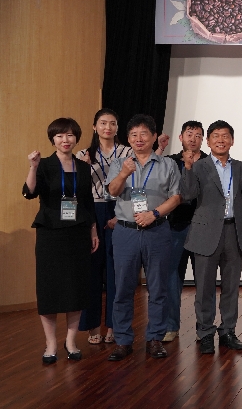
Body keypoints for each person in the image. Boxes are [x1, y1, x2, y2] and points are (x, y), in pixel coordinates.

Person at [105, 114, 181, 361]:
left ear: (154, 136)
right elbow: (112, 191)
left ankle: (155, 338)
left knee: (158, 287)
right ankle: (123, 340)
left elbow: (176, 197)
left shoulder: (167, 164)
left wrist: (154, 214)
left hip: (157, 231)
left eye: (144, 134)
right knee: (123, 288)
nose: (139, 139)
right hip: (125, 232)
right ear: (128, 139)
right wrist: (123, 174)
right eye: (134, 135)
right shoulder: (120, 163)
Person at [24, 118, 99, 364]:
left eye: (69, 135)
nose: (65, 140)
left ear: (76, 138)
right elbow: (29, 192)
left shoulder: (84, 167)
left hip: (78, 233)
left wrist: (93, 231)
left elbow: (88, 203)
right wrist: (33, 167)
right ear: (52, 139)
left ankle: (71, 341)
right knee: (49, 289)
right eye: (59, 136)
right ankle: (51, 344)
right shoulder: (44, 165)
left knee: (76, 287)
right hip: (50, 233)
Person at [180, 120, 242, 354]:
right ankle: (205, 332)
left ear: (232, 141)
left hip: (234, 232)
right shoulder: (199, 166)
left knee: (231, 287)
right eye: (216, 136)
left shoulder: (240, 167)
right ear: (208, 142)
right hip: (205, 233)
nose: (221, 140)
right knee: (204, 287)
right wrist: (188, 168)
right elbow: (188, 194)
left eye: (225, 136)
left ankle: (228, 331)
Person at [76, 108, 132, 345]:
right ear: (94, 127)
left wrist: (122, 214)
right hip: (92, 211)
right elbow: (77, 191)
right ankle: (92, 325)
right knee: (91, 270)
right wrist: (84, 169)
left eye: (112, 123)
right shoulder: (83, 154)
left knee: (115, 272)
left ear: (117, 128)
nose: (107, 127)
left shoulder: (127, 152)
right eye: (103, 123)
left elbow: (135, 185)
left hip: (119, 210)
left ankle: (113, 325)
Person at [163, 121, 208, 343]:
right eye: (189, 134)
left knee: (203, 279)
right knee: (172, 277)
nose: (193, 138)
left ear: (203, 140)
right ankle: (171, 326)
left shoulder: (209, 162)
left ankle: (204, 328)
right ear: (181, 137)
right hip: (175, 226)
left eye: (198, 135)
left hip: (203, 228)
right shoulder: (170, 162)